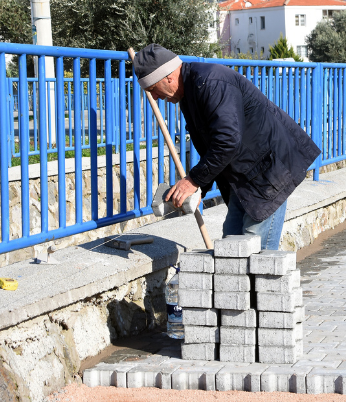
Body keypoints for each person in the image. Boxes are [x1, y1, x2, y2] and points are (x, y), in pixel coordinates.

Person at [134, 44, 320, 250]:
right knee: (230, 247)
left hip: (268, 170)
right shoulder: (188, 93)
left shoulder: (211, 83)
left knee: (254, 255)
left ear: (168, 77)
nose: (155, 97)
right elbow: (210, 146)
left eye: (153, 90)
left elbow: (227, 140)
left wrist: (193, 180)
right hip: (243, 176)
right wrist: (200, 188)